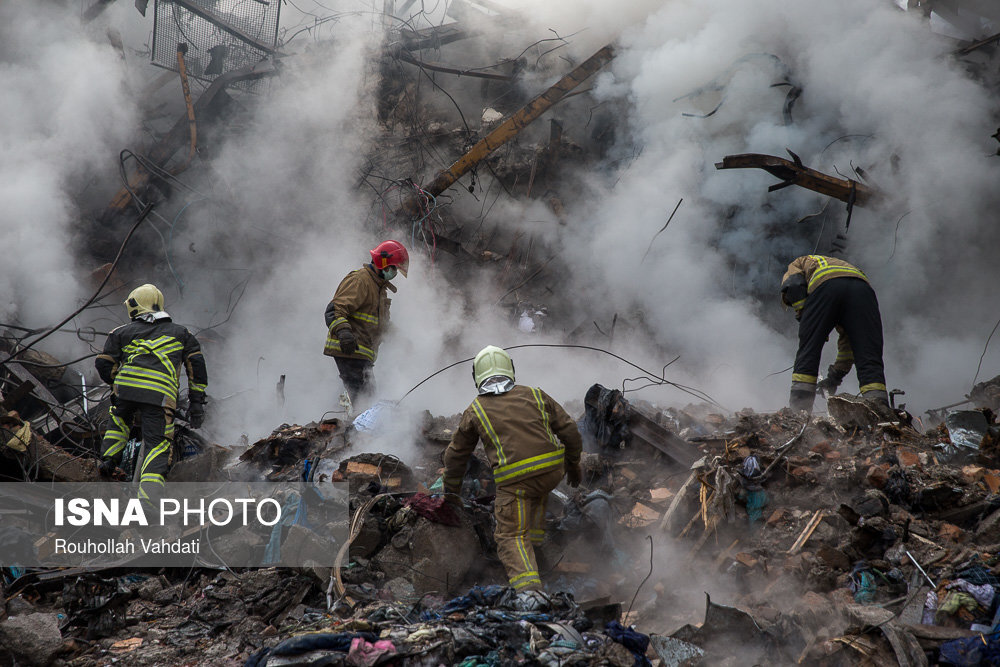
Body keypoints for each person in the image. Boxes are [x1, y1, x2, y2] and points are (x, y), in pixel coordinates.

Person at [443, 346, 583, 592]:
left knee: (510, 535)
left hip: (516, 481)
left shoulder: (476, 409)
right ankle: (538, 551)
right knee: (535, 495)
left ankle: (529, 591)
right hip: (552, 472)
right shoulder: (536, 394)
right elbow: (569, 430)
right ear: (511, 369)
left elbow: (456, 456)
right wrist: (572, 464)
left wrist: (451, 492)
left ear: (477, 376)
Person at [95, 284, 207, 503]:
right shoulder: (183, 334)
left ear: (134, 306)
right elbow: (197, 369)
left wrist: (117, 383)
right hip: (159, 396)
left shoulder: (120, 332)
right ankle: (148, 503)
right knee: (157, 446)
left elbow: (103, 363)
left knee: (118, 425)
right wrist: (196, 405)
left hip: (125, 390)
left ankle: (108, 463)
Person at [780, 254, 888, 413]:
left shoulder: (798, 263)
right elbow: (848, 350)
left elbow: (794, 285)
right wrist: (835, 378)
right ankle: (879, 411)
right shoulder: (837, 267)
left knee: (809, 349)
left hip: (827, 287)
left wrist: (804, 315)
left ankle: (799, 412)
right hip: (863, 291)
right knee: (868, 354)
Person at [324, 240, 408, 403]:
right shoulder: (361, 280)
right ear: (383, 263)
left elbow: (380, 324)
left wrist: (400, 339)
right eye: (394, 267)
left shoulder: (379, 288)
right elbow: (334, 310)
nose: (395, 272)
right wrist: (344, 333)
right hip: (349, 349)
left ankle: (352, 426)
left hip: (361, 353)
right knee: (365, 400)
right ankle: (356, 428)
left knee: (365, 398)